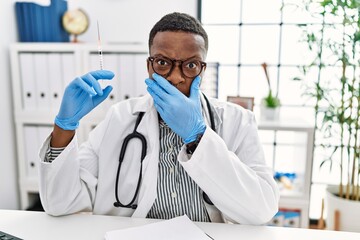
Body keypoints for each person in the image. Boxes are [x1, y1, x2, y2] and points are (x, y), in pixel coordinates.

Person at [39, 12, 279, 224]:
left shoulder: (237, 121)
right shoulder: (120, 118)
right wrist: (64, 126)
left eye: (191, 65)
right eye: (163, 62)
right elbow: (61, 204)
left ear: (203, 69)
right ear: (149, 66)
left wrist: (198, 136)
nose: (175, 77)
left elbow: (261, 211)